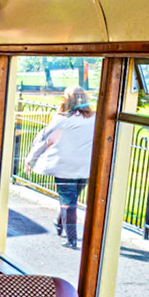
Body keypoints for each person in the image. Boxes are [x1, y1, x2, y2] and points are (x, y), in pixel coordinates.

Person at [26, 86, 96, 248]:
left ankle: (71, 239)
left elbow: (43, 141)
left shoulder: (61, 120)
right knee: (70, 200)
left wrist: (30, 159)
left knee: (68, 202)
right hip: (85, 168)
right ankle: (59, 223)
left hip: (64, 168)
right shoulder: (94, 119)